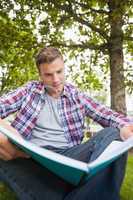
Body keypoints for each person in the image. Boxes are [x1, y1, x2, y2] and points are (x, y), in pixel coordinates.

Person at [0, 47, 133, 200]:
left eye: (59, 72)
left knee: (113, 133)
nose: (56, 80)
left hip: (69, 158)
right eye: (48, 75)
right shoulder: (29, 91)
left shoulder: (76, 95)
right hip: (31, 159)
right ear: (40, 75)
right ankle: (82, 191)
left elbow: (107, 115)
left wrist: (126, 126)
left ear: (64, 68)